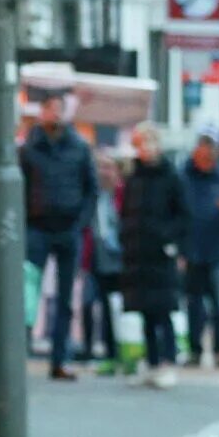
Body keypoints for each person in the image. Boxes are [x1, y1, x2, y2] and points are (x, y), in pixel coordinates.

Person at [19, 94, 97, 381]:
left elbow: (91, 189)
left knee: (65, 299)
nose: (53, 115)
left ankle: (59, 358)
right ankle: (20, 353)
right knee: (28, 294)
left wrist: (80, 223)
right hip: (37, 228)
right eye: (49, 109)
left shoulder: (78, 147)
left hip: (68, 229)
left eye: (57, 110)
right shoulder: (30, 148)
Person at [119, 122, 187, 389]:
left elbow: (182, 214)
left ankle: (168, 361)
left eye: (149, 142)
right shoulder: (134, 177)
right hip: (138, 253)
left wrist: (169, 240)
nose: (146, 149)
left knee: (163, 310)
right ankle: (153, 361)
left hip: (160, 252)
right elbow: (126, 211)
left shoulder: (170, 176)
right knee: (145, 311)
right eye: (141, 143)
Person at [180, 131, 219, 369]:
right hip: (192, 248)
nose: (208, 160)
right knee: (194, 304)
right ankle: (195, 349)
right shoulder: (184, 177)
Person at [81, 154, 126, 374]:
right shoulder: (91, 194)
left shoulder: (122, 194)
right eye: (99, 166)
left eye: (108, 167)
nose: (103, 172)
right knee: (88, 303)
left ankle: (112, 348)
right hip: (93, 256)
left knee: (112, 306)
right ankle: (88, 348)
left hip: (116, 258)